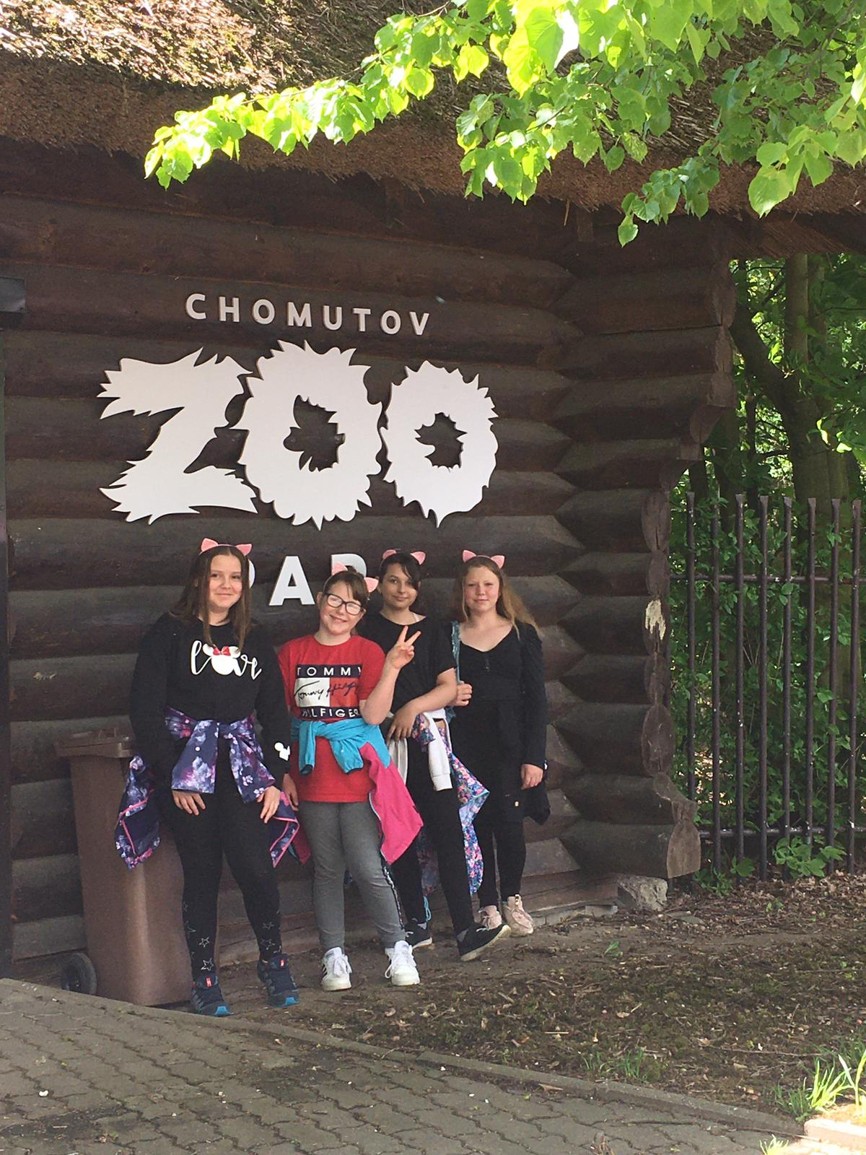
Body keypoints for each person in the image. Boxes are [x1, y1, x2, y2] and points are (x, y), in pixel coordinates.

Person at [127, 540, 300, 1017]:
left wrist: (274, 777)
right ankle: (203, 977)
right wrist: (172, 775)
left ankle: (274, 960)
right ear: (199, 580)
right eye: (217, 575)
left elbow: (275, 713)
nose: (226, 585)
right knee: (201, 872)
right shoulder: (169, 633)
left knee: (255, 867)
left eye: (235, 577)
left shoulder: (255, 638)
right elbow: (145, 710)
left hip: (242, 771)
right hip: (189, 774)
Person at [358, 550, 511, 961]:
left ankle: (464, 929)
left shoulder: (433, 630)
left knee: (447, 830)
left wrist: (413, 708)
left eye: (409, 583)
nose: (401, 590)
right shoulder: (368, 629)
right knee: (401, 831)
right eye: (393, 581)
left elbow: (448, 686)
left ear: (418, 588)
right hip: (386, 742)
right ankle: (416, 922)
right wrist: (394, 714)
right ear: (380, 585)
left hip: (429, 746)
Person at [278, 567, 424, 991]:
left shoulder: (367, 651)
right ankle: (334, 957)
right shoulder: (292, 652)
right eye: (335, 600)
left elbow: (373, 715)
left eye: (353, 605)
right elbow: (280, 718)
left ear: (361, 614)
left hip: (359, 774)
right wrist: (284, 774)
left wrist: (392, 667)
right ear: (320, 600)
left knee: (366, 865)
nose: (341, 610)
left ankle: (398, 948)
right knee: (326, 869)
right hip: (311, 774)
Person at [448, 553, 547, 936]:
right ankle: (487, 903)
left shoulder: (522, 634)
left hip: (511, 741)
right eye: (472, 585)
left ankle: (513, 898)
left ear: (500, 588)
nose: (481, 592)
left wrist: (534, 756)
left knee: (509, 823)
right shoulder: (450, 636)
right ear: (462, 590)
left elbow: (537, 700)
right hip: (467, 741)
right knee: (476, 823)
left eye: (488, 584)